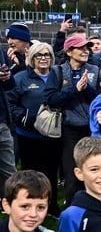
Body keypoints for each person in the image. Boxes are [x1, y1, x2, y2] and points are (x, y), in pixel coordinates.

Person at [45, 34, 100, 206]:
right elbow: (51, 99)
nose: (85, 51)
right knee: (72, 174)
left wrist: (86, 89)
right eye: (80, 48)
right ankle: (73, 210)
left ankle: (91, 209)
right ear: (69, 52)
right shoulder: (57, 71)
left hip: (92, 128)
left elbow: (100, 97)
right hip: (69, 129)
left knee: (92, 171)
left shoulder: (95, 69)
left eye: (86, 48)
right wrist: (74, 90)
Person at [7, 42, 61, 215]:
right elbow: (10, 102)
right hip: (29, 135)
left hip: (53, 135)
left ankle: (51, 206)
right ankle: (31, 206)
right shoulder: (21, 78)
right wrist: (24, 117)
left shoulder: (58, 75)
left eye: (47, 55)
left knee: (51, 172)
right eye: (39, 55)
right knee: (31, 174)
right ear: (32, 57)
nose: (44, 58)